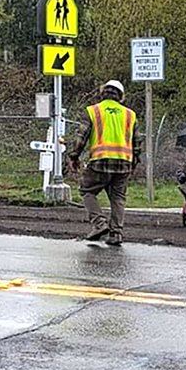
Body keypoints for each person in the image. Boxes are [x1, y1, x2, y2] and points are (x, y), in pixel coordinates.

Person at [65, 79, 139, 245]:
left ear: (102, 93)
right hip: (124, 162)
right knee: (118, 198)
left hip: (100, 161)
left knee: (87, 190)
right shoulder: (130, 114)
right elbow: (137, 142)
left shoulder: (93, 111)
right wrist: (134, 163)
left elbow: (81, 137)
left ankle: (99, 223)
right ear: (121, 96)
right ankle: (116, 234)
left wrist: (74, 157)